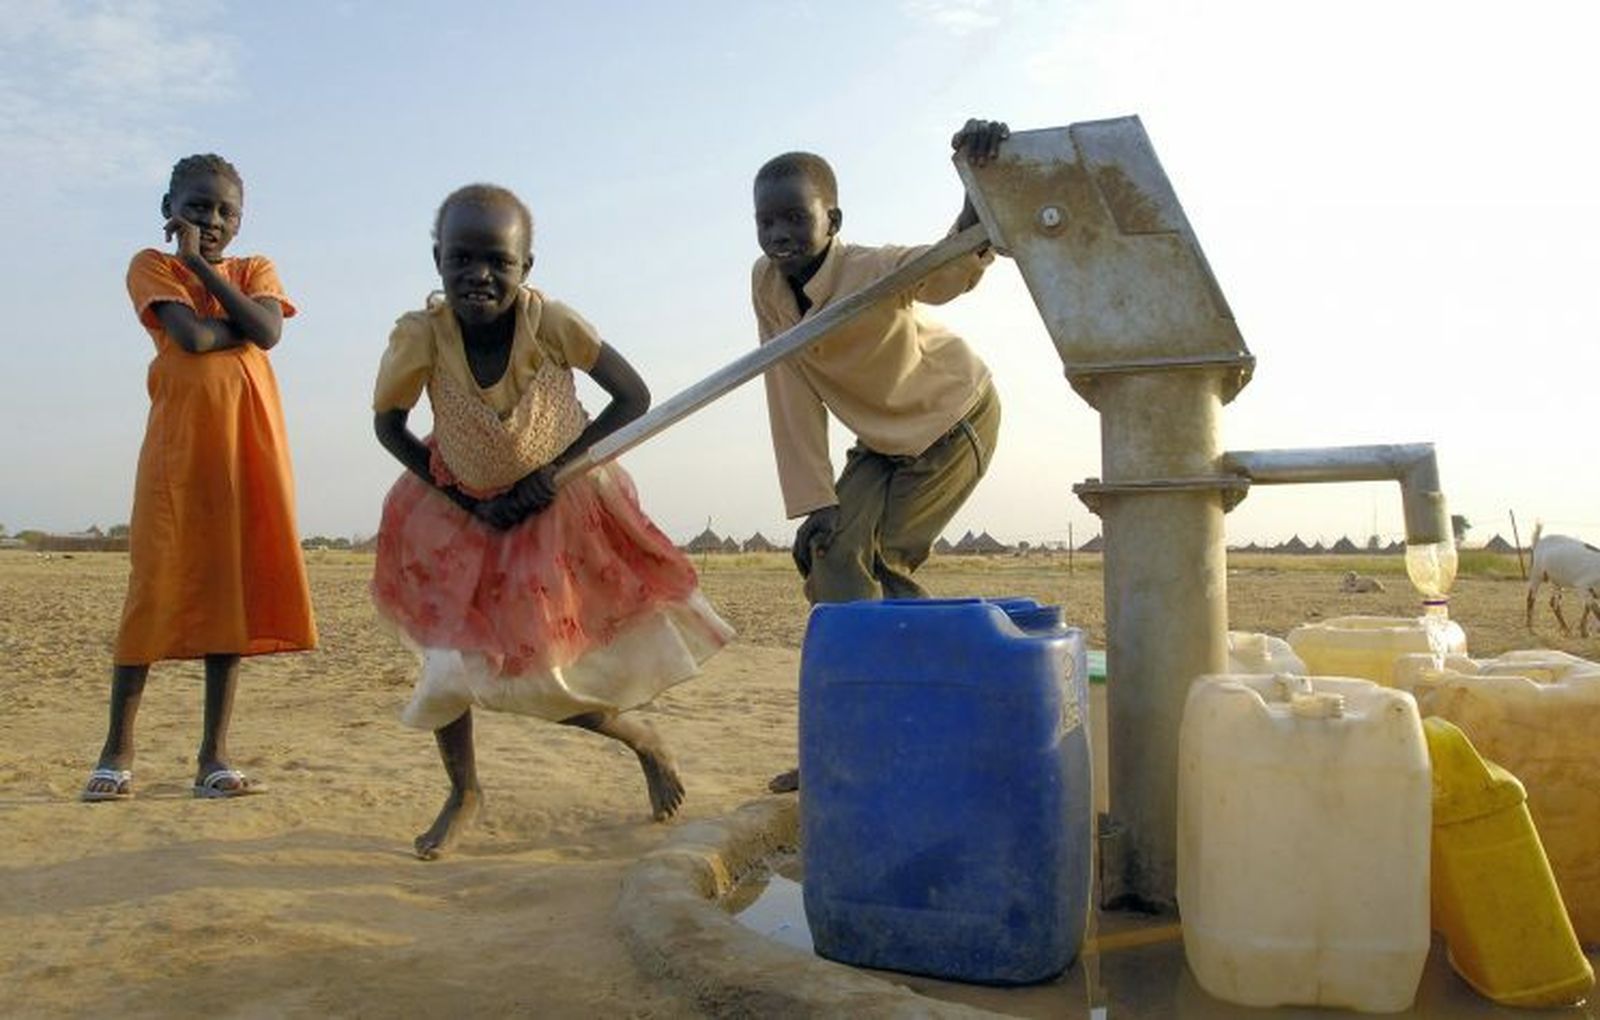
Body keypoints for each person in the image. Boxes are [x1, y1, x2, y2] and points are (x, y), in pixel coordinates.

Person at [371, 183, 733, 860]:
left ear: (525, 267)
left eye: (497, 262)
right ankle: (465, 792)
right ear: (437, 260)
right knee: (448, 669)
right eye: (461, 259)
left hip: (555, 513)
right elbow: (389, 426)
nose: (478, 275)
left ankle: (639, 739)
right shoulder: (420, 335)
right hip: (457, 515)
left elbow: (634, 397)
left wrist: (551, 475)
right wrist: (458, 495)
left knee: (545, 679)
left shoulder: (553, 323)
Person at [752, 120, 1009, 792]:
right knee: (829, 560)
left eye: (794, 218)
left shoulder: (871, 269)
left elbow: (950, 265)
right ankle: (846, 748)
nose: (778, 235)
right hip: (882, 441)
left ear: (832, 218)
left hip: (952, 418)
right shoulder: (767, 285)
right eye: (765, 220)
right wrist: (815, 500)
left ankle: (927, 733)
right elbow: (787, 383)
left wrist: (974, 188)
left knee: (882, 566)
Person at [82, 154, 318, 803]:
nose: (210, 221)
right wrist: (217, 304)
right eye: (197, 207)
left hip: (249, 452)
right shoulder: (152, 266)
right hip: (177, 456)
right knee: (152, 588)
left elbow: (266, 331)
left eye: (224, 212)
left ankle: (213, 757)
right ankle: (116, 752)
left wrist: (218, 292)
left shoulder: (254, 269)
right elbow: (190, 339)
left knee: (228, 595)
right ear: (169, 208)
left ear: (240, 221)